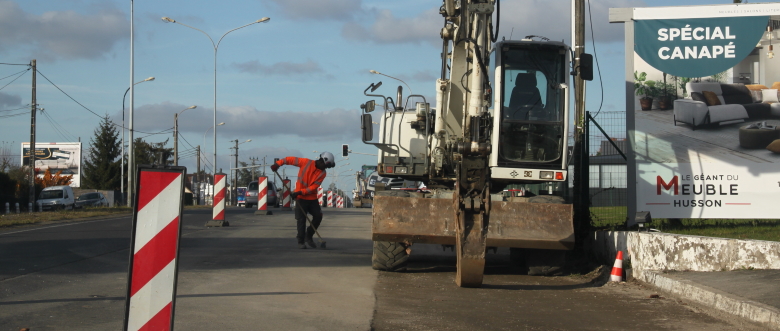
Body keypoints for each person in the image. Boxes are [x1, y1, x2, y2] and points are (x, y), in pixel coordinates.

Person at [271, 152, 336, 249]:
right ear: (322, 160)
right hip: (301, 198)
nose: (325, 168)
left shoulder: (323, 173)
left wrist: (300, 192)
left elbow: (314, 187)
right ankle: (301, 241)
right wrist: (278, 164)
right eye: (325, 165)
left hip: (311, 198)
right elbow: (289, 159)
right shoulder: (305, 162)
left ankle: (308, 236)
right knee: (301, 219)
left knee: (318, 216)